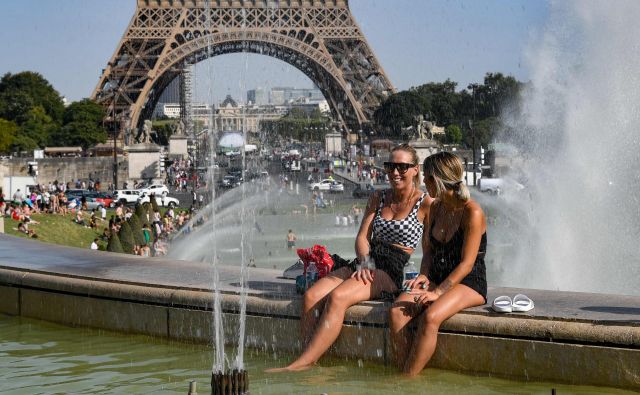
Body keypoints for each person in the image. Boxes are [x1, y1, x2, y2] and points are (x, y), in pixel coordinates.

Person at [267, 144, 432, 372]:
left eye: (402, 167)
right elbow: (363, 237)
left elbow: (431, 247)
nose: (395, 172)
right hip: (367, 260)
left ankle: (300, 364)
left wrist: (426, 276)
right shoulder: (379, 196)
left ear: (415, 169)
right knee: (311, 296)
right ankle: (310, 357)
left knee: (337, 298)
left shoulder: (425, 203)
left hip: (392, 269)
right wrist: (365, 261)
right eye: (391, 166)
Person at [389, 151, 487, 376]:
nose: (423, 182)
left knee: (431, 316)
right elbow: (428, 252)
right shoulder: (435, 207)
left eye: (428, 178)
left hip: (469, 283)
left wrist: (439, 292)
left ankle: (407, 380)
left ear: (439, 180)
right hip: (436, 278)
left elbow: (467, 264)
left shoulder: (472, 212)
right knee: (396, 312)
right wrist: (424, 275)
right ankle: (404, 369)